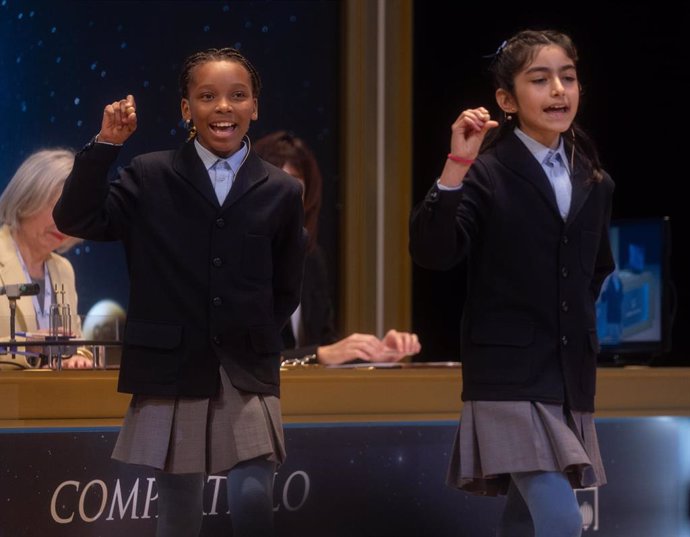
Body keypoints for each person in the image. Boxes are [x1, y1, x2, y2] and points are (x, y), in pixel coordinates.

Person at [53, 48, 306, 537]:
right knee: (178, 508)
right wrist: (106, 144)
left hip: (244, 368)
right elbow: (75, 219)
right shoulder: (150, 175)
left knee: (254, 499)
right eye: (207, 96)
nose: (223, 108)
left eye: (237, 96)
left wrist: (249, 334)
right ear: (186, 109)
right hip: (170, 365)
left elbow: (286, 288)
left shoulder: (281, 191)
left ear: (255, 106)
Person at [409, 30, 614, 537]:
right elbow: (434, 253)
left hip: (568, 374)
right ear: (506, 99)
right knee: (561, 520)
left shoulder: (595, 179)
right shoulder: (487, 172)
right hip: (506, 373)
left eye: (567, 78)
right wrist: (457, 164)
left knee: (524, 521)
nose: (559, 91)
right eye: (540, 80)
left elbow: (596, 269)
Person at [254, 131, 421, 365]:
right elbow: (241, 358)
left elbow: (325, 343)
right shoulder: (233, 260)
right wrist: (319, 355)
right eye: (276, 185)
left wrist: (375, 355)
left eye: (295, 188)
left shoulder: (311, 258)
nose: (286, 198)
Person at [0, 149, 92, 369]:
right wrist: (27, 345)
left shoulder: (63, 269)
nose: (64, 221)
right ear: (27, 198)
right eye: (57, 206)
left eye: (73, 211)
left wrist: (79, 357)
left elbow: (78, 343)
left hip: (51, 399)